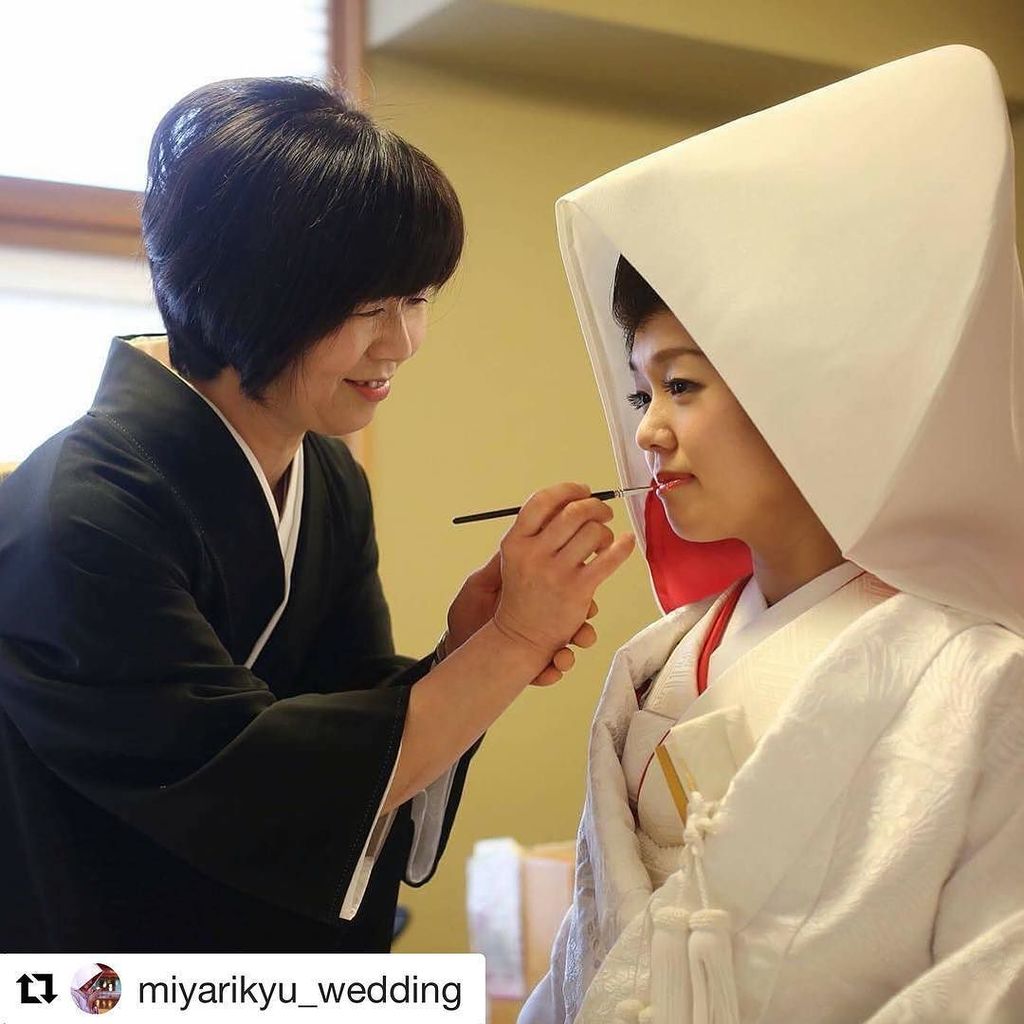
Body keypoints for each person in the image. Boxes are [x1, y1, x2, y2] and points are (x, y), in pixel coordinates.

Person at [0, 78, 634, 952]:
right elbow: (246, 785)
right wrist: (513, 646)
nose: (401, 342)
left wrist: (467, 650)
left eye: (417, 299)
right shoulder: (80, 514)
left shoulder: (327, 475)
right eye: (367, 307)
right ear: (245, 294)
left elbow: (349, 715)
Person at [521, 45, 1024, 1023]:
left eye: (682, 384)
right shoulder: (656, 666)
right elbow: (591, 959)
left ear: (808, 395)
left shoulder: (977, 678)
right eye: (642, 393)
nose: (647, 431)